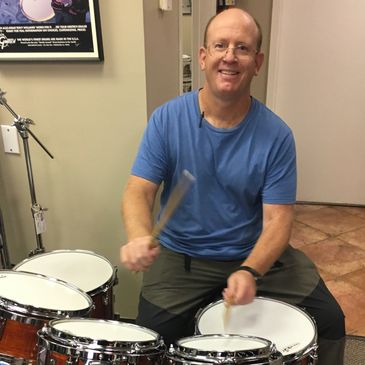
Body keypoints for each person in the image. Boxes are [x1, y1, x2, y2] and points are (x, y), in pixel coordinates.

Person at [120, 7, 345, 365]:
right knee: (151, 341)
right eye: (221, 45)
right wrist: (137, 235)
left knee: (331, 321)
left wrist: (249, 269)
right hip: (182, 257)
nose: (230, 56)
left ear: (257, 62)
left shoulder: (276, 135)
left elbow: (277, 221)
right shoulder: (166, 120)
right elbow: (139, 190)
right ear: (204, 56)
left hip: (254, 254)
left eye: (242, 48)